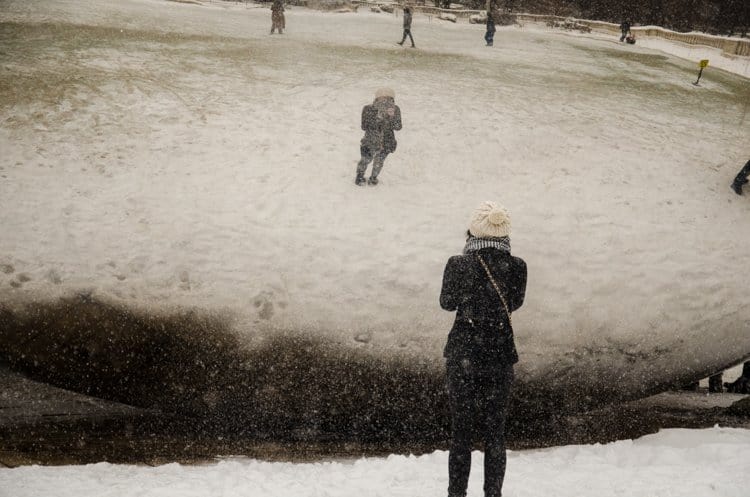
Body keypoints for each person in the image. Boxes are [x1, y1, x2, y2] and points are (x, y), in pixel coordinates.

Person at [440, 201, 527, 497]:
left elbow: (446, 303)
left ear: (472, 230)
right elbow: (514, 303)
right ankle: (493, 494)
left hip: (464, 352)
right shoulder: (517, 267)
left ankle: (456, 494)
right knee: (495, 435)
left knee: (461, 433)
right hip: (500, 354)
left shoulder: (459, 264)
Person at [354, 88, 402, 186]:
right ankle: (359, 177)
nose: (385, 100)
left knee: (379, 162)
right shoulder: (368, 108)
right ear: (377, 98)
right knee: (365, 160)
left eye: (388, 98)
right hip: (369, 141)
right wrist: (378, 118)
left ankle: (373, 178)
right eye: (382, 98)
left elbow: (398, 127)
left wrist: (391, 117)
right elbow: (364, 126)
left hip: (387, 142)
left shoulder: (395, 109)